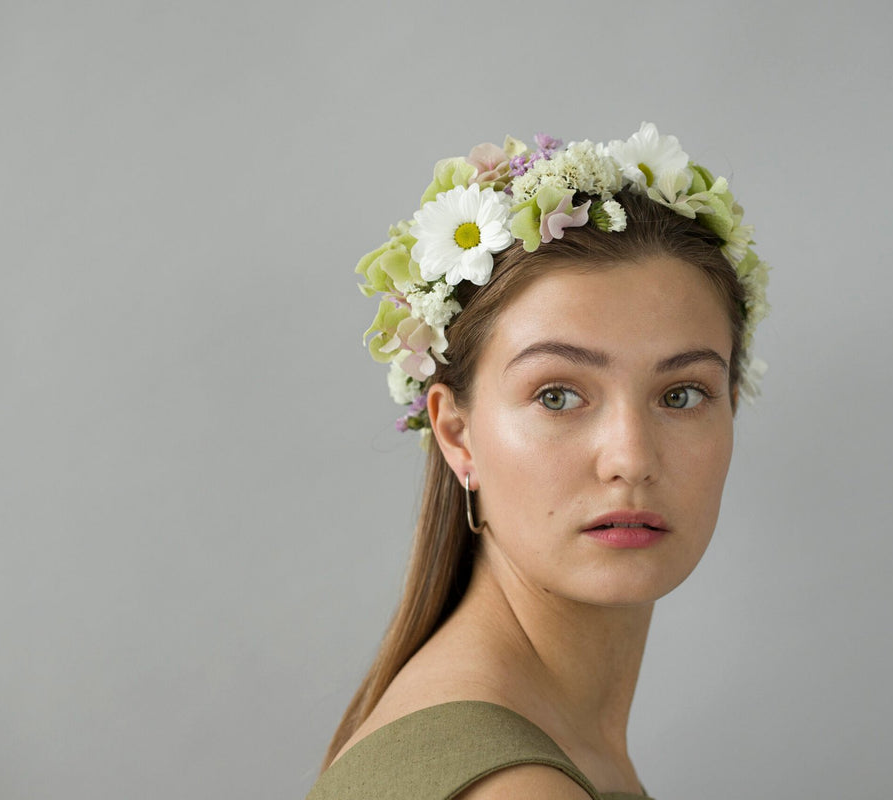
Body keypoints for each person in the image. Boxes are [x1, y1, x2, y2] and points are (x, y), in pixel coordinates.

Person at [307, 124, 770, 800]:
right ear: (458, 435)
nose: (631, 459)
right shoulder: (515, 787)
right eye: (558, 395)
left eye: (681, 394)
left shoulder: (538, 741)